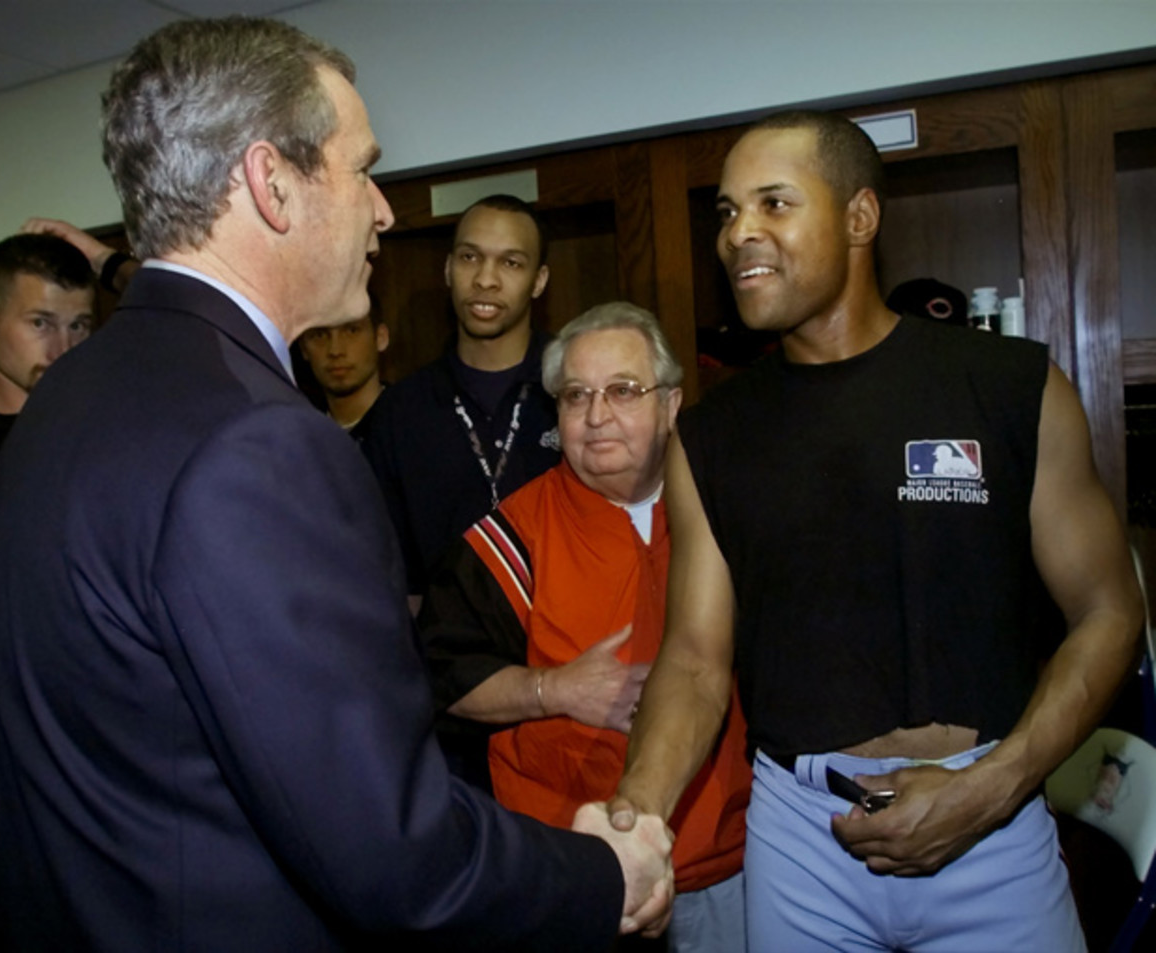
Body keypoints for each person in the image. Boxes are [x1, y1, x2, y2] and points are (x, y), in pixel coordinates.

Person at [0, 18, 672, 952]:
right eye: (362, 170)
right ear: (272, 183)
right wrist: (601, 874)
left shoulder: (67, 393)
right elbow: (387, 846)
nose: (383, 211)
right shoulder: (257, 442)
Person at [608, 110, 1144, 952]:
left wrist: (996, 786)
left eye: (774, 203)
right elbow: (695, 660)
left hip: (991, 822)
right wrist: (636, 813)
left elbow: (1109, 612)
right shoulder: (712, 436)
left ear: (859, 216)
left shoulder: (1010, 386)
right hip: (802, 838)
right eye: (727, 212)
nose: (739, 233)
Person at [421, 302, 751, 952]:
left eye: (623, 390)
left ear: (672, 404)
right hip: (569, 873)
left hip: (724, 862)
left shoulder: (732, 513)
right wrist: (555, 690)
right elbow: (436, 674)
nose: (597, 416)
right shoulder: (513, 537)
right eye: (576, 395)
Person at [0, 232, 94, 915]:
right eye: (41, 323)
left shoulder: (101, 440)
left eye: (79, 326)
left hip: (99, 740)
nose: (62, 348)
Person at [362, 194, 559, 598]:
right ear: (448, 268)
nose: (486, 279)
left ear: (539, 281)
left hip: (568, 628)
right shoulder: (400, 412)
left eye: (511, 263)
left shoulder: (576, 393)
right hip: (441, 635)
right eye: (470, 257)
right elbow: (386, 568)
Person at [297, 307, 388, 434]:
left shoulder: (408, 423)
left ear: (380, 337)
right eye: (320, 335)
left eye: (352, 331)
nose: (335, 351)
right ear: (304, 348)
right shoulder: (296, 432)